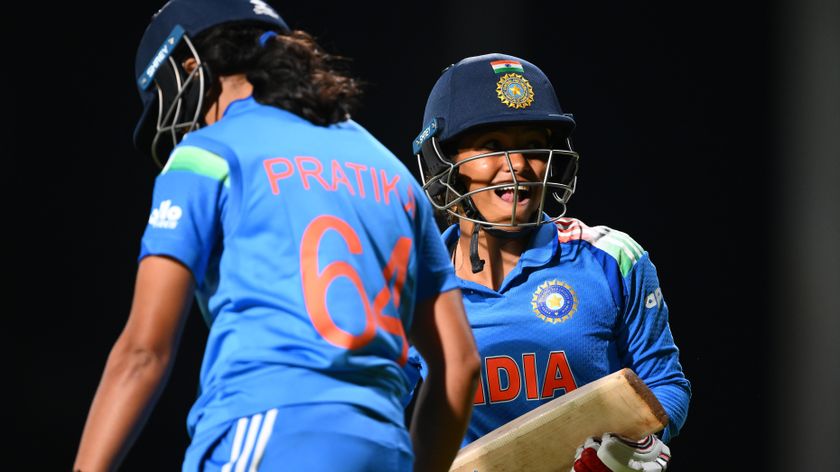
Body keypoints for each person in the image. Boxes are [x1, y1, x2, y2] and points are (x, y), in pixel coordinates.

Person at [73, 1, 479, 471]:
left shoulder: (206, 154)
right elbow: (460, 364)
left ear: (189, 67)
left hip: (266, 432)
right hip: (381, 445)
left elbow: (143, 352)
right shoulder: (390, 170)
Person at [407, 53, 691, 471]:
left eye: (532, 146)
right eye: (492, 146)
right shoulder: (412, 282)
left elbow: (665, 382)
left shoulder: (611, 258)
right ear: (445, 163)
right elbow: (377, 401)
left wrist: (640, 441)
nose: (518, 165)